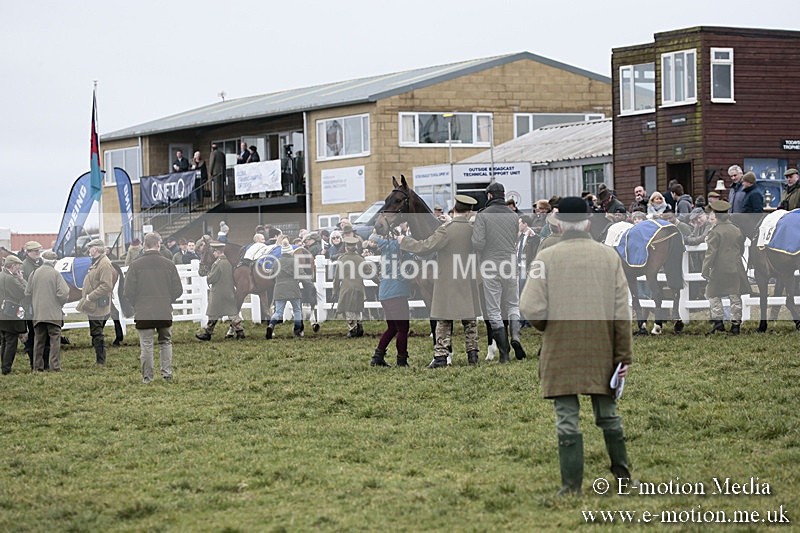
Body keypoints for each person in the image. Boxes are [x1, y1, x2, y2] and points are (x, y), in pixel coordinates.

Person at [519, 196, 633, 496]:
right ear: (587, 222)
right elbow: (622, 312)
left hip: (560, 347)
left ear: (557, 222)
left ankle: (571, 487)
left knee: (567, 418)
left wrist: (548, 326)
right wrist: (623, 355)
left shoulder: (547, 257)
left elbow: (530, 307)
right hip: (602, 347)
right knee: (608, 415)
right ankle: (623, 477)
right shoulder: (608, 257)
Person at [401, 195, 482, 367]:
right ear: (469, 211)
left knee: (444, 319)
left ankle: (441, 356)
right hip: (468, 277)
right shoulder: (473, 229)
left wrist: (405, 241)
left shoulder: (446, 229)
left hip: (448, 281)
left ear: (454, 209)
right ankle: (473, 354)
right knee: (470, 319)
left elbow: (425, 247)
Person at [471, 182, 526, 363]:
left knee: (493, 308)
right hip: (510, 262)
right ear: (503, 195)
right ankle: (516, 337)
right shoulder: (513, 215)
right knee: (512, 303)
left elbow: (478, 243)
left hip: (491, 264)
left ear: (489, 196)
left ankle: (504, 353)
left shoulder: (483, 215)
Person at [124, 232, 183, 384]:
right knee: (165, 342)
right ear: (158, 244)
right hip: (164, 310)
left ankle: (147, 377)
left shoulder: (135, 265)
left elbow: (128, 291)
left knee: (146, 344)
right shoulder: (169, 264)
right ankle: (167, 374)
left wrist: (137, 304)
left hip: (143, 311)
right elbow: (178, 290)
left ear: (144, 245)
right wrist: (167, 300)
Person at [702, 200, 750, 335]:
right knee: (735, 295)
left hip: (719, 269)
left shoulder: (714, 232)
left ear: (716, 216)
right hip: (735, 267)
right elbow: (740, 249)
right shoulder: (737, 230)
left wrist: (705, 269)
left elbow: (711, 253)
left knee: (712, 294)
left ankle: (718, 322)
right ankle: (736, 325)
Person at [369, 227, 413, 367]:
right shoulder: (398, 246)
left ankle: (378, 357)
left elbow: (372, 237)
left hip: (384, 292)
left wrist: (377, 232)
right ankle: (401, 360)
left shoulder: (385, 247)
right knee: (403, 328)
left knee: (392, 328)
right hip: (397, 292)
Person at [25, 251, 70, 372]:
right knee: (55, 339)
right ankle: (54, 366)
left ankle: (37, 367)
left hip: (38, 314)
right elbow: (64, 293)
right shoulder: (55, 274)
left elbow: (27, 293)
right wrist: (59, 303)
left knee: (38, 341)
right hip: (53, 314)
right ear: (54, 262)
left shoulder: (33, 273)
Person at [76, 238, 114, 366]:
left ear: (96, 249)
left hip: (97, 304)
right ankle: (100, 359)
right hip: (95, 304)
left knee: (97, 332)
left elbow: (106, 286)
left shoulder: (104, 264)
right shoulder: (98, 262)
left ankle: (100, 361)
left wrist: (90, 297)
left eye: (90, 247)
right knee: (96, 331)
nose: (89, 250)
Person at [196, 242, 244, 341]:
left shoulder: (217, 263)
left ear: (217, 252)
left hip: (218, 292)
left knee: (213, 313)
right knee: (232, 313)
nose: (213, 254)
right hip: (229, 290)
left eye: (214, 252)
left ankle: (208, 333)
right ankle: (240, 331)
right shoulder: (229, 262)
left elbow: (212, 278)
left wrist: (208, 276)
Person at [333, 236, 371, 338]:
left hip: (346, 288)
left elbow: (337, 278)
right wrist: (379, 281)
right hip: (359, 287)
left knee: (348, 308)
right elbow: (369, 272)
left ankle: (352, 328)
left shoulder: (342, 259)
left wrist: (334, 291)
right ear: (355, 247)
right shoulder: (360, 259)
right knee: (358, 307)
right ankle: (359, 325)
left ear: (346, 247)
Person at [266, 239, 304, 339]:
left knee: (278, 312)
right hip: (293, 289)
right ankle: (297, 331)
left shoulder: (276, 262)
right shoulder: (295, 261)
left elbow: (271, 275)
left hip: (279, 289)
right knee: (297, 310)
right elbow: (301, 274)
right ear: (290, 251)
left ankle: (271, 325)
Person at [0, 255, 27, 375]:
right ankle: (6, 368)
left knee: (4, 341)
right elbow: (24, 292)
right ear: (13, 266)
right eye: (17, 266)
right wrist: (21, 279)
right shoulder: (11, 279)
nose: (19, 269)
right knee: (11, 341)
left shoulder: (1, 276)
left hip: (2, 312)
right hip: (11, 313)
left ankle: (4, 366)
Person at [21, 241, 46, 368]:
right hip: (30, 305)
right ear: (28, 253)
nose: (38, 253)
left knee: (42, 334)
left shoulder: (39, 263)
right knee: (33, 334)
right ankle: (34, 364)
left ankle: (43, 363)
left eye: (38, 251)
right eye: (35, 251)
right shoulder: (24, 266)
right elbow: (25, 288)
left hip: (40, 304)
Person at [735, 171, 764, 239]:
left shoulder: (755, 194)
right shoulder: (749, 193)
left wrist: (752, 225)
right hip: (745, 225)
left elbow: (758, 212)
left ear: (749, 182)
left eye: (744, 182)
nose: (742, 184)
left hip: (751, 227)